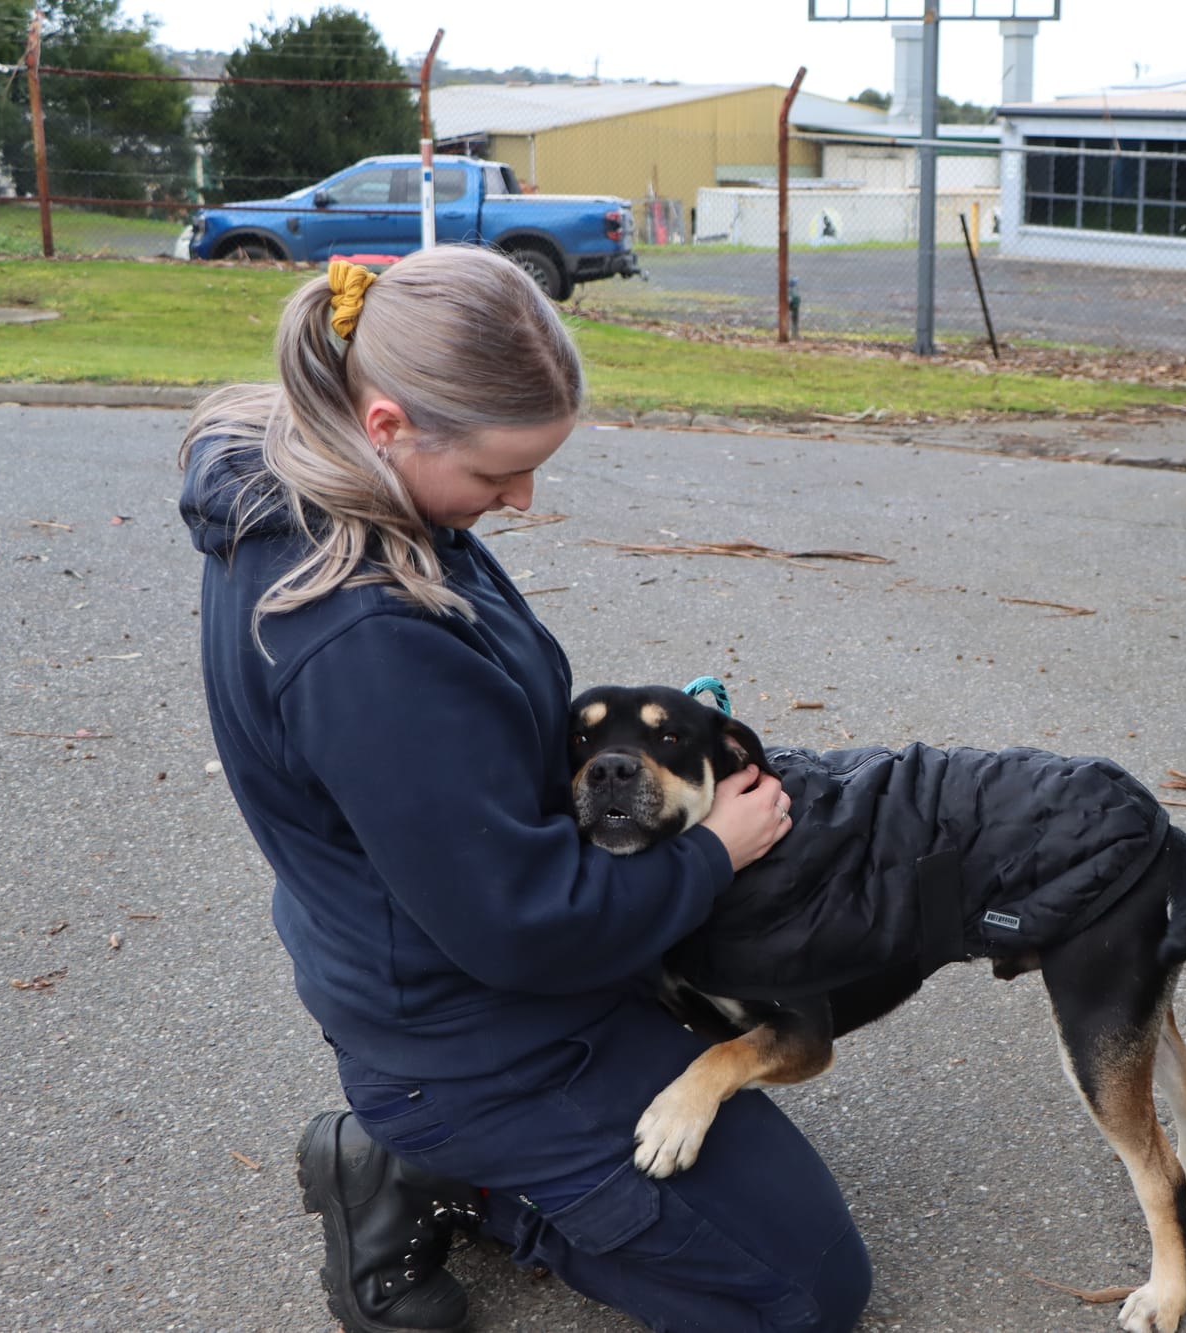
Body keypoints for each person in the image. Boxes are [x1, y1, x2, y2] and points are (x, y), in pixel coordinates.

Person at [178, 245, 871, 1333]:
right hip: (472, 1032)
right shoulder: (363, 638)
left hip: (459, 961)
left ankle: (474, 1148)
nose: (524, 495)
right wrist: (710, 851)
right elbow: (519, 926)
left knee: (779, 1215)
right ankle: (440, 1172)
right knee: (804, 1293)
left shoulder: (384, 507)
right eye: (502, 472)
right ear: (390, 422)